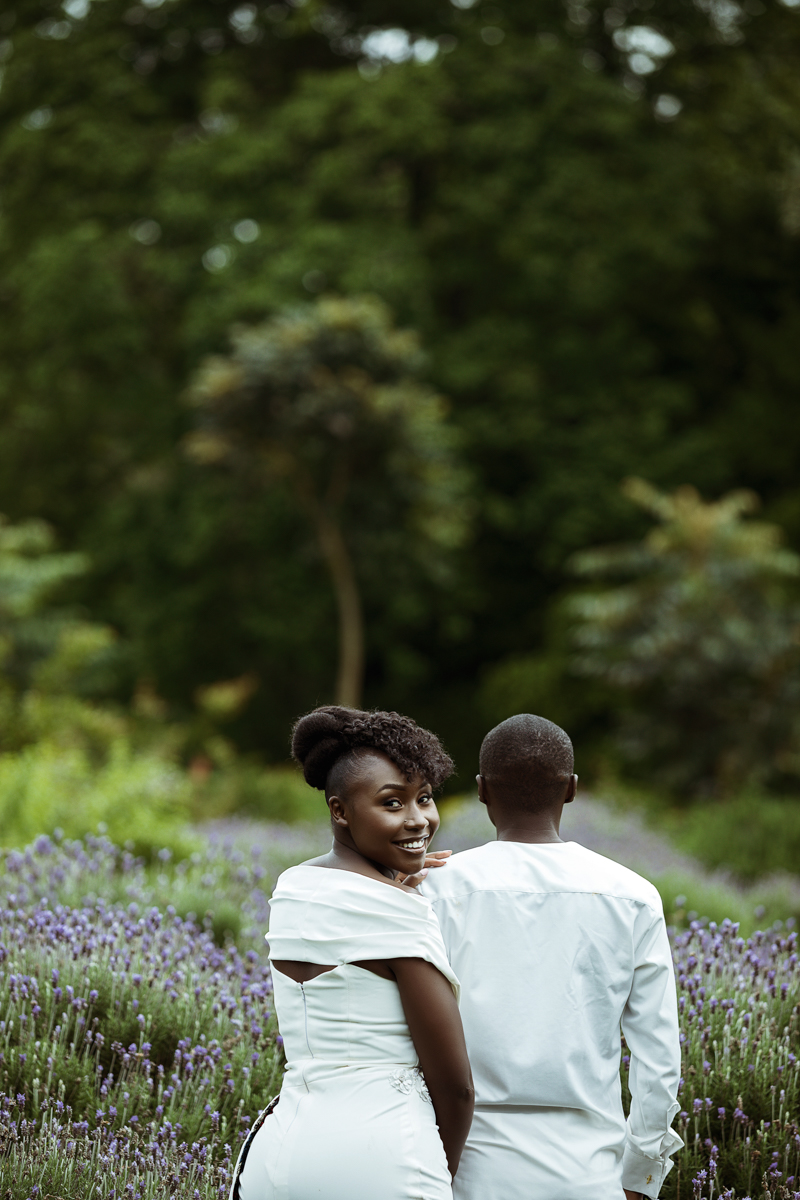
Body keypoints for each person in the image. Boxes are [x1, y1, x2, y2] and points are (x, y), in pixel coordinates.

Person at [420, 713, 683, 1200]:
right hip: (589, 1175)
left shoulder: (433, 890)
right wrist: (642, 1174)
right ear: (571, 789)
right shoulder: (633, 895)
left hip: (463, 1172)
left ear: (481, 790)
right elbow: (658, 1055)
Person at [233, 705, 474, 1200]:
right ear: (339, 810)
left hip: (277, 1160)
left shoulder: (294, 886)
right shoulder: (399, 912)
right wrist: (434, 1171)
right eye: (392, 804)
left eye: (424, 798)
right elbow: (455, 1087)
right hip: (385, 1156)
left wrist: (392, 873)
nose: (418, 820)